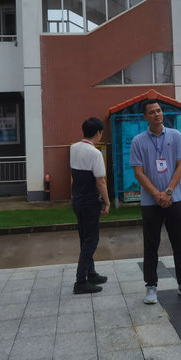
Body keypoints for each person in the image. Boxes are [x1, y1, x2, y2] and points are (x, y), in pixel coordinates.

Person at [130, 99, 181, 305]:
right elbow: (138, 172)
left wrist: (168, 192)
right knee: (151, 245)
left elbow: (180, 165)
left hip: (174, 199)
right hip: (150, 203)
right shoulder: (138, 141)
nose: (157, 114)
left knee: (179, 243)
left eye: (159, 110)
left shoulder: (175, 136)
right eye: (151, 112)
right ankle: (151, 286)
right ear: (145, 117)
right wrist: (156, 194)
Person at [70, 117, 111, 294]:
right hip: (89, 201)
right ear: (98, 133)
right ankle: (80, 281)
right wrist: (107, 202)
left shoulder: (74, 147)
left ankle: (91, 273)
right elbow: (100, 181)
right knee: (91, 241)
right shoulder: (95, 153)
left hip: (77, 200)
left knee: (84, 239)